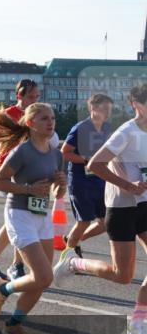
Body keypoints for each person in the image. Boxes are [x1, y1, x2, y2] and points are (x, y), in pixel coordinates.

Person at [59, 85, 147, 334]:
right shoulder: (126, 132)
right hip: (121, 208)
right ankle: (74, 264)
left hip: (144, 205)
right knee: (122, 275)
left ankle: (137, 325)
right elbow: (94, 164)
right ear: (137, 105)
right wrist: (129, 186)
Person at [0, 102, 66, 334]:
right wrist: (28, 189)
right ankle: (2, 290)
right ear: (30, 123)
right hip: (19, 214)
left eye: (52, 117)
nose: (50, 122)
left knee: (44, 279)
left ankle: (13, 326)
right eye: (43, 118)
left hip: (42, 217)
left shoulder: (56, 153)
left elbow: (58, 192)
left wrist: (61, 183)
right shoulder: (22, 152)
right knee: (42, 275)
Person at [0, 79, 58, 281]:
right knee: (21, 214)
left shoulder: (40, 116)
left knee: (16, 218)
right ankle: (17, 265)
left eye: (37, 97)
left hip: (31, 173)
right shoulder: (9, 115)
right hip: (10, 172)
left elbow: (55, 142)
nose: (34, 100)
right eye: (30, 97)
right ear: (19, 96)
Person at [59, 94, 113, 258]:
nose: (107, 112)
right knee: (84, 221)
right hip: (81, 181)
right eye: (104, 108)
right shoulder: (80, 128)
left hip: (100, 180)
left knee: (106, 223)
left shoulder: (107, 128)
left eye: (109, 109)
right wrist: (87, 159)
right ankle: (67, 257)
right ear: (93, 108)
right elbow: (65, 153)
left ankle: (72, 240)